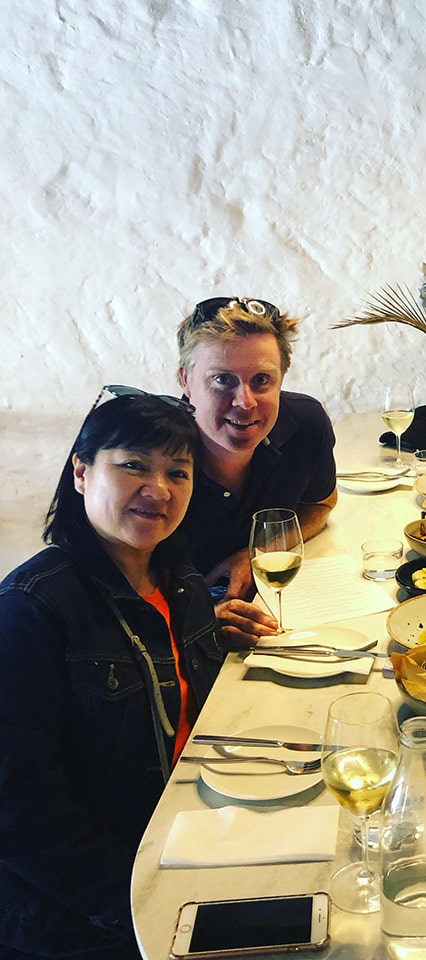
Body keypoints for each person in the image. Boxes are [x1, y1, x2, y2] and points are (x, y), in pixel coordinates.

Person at [0, 389, 223, 960]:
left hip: (187, 839)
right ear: (81, 472)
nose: (159, 489)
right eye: (134, 466)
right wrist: (132, 897)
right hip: (87, 914)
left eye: (178, 472)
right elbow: (17, 800)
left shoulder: (181, 582)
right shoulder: (31, 608)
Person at [176, 297, 338, 646]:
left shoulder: (306, 425)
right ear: (186, 381)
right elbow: (106, 591)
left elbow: (321, 504)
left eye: (262, 380)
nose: (245, 402)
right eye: (222, 380)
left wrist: (256, 554)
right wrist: (201, 621)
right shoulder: (149, 458)